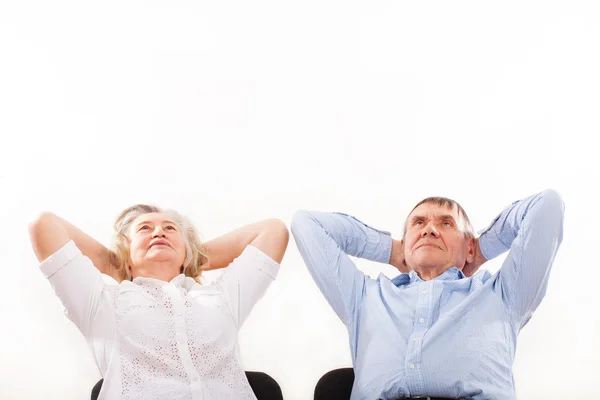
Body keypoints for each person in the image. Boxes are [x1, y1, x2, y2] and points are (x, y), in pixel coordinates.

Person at [291, 190, 564, 400]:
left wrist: (480, 250)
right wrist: (392, 251)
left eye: (446, 224)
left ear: (468, 246)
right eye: (418, 223)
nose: (429, 229)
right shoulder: (364, 298)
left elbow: (547, 206)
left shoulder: (503, 294)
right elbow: (307, 224)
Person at [29, 204, 289, 400]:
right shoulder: (102, 303)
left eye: (169, 228)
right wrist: (114, 262)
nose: (158, 233)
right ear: (125, 252)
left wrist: (191, 255)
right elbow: (44, 225)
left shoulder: (221, 298)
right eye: (144, 229)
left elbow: (273, 231)